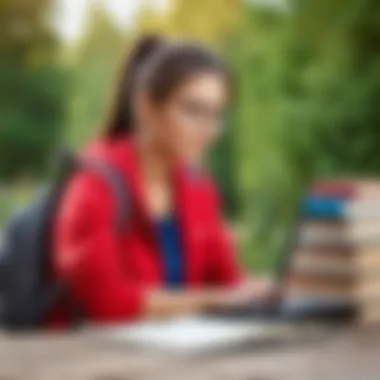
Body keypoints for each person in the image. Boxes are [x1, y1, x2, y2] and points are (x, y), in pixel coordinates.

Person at [53, 35, 274, 326]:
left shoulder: (199, 189)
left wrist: (256, 291)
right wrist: (211, 300)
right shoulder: (94, 184)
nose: (210, 130)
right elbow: (106, 304)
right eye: (193, 110)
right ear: (147, 108)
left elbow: (227, 282)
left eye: (216, 114)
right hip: (85, 361)